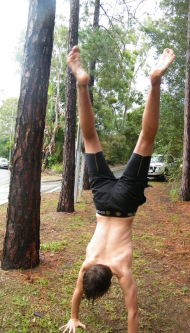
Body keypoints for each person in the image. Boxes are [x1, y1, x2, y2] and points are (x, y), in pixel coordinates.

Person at [60, 45, 176, 333]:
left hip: (125, 204)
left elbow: (132, 313)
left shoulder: (121, 270)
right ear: (89, 274)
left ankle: (155, 81)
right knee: (89, 138)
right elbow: (76, 293)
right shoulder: (87, 264)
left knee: (146, 139)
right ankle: (81, 83)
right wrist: (72, 315)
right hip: (101, 201)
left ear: (109, 279)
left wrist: (74, 320)